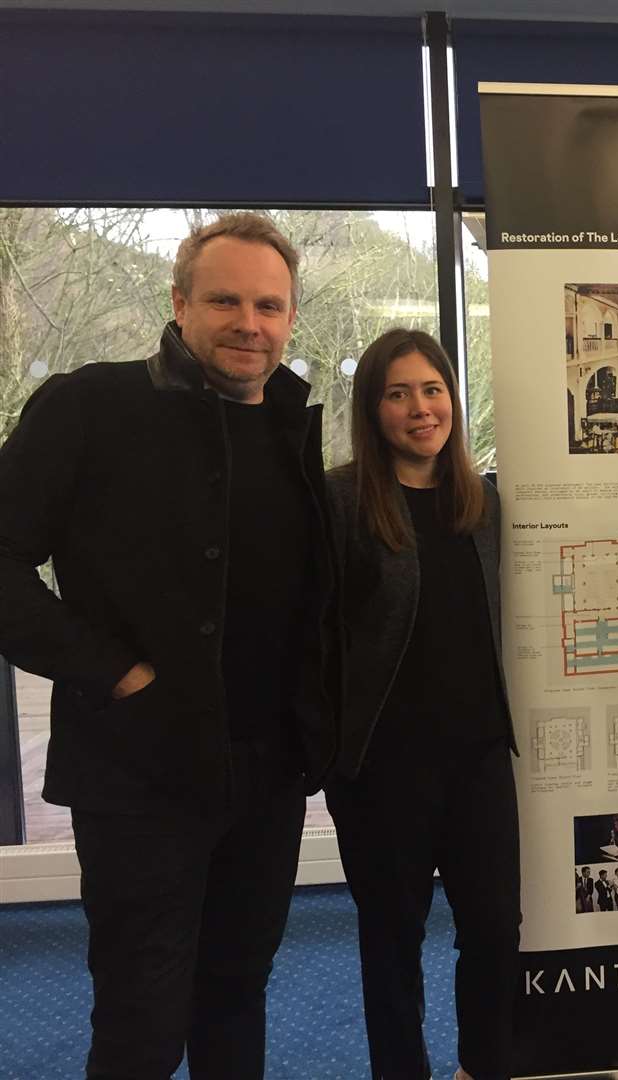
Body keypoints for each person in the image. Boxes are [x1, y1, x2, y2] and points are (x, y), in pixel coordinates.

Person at [0, 212, 336, 1077]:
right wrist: (115, 672)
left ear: (291, 317)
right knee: (143, 1015)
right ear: (179, 302)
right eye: (225, 300)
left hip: (267, 774)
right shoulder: (89, 406)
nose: (248, 323)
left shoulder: (294, 425)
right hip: (139, 772)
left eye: (269, 305)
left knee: (237, 993)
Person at [324, 327, 519, 1080]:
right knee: (393, 942)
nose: (419, 408)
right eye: (398, 393)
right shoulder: (341, 501)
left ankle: (485, 1068)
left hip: (477, 759)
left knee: (497, 931)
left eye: (432, 389)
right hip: (382, 768)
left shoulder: (482, 502)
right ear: (373, 410)